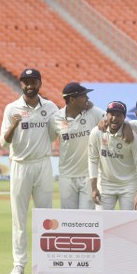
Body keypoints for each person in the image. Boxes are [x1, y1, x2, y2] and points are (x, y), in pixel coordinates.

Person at [0, 68, 58, 274]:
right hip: (20, 165)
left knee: (45, 217)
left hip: (42, 164)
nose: (29, 85)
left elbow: (55, 133)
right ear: (21, 84)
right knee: (20, 218)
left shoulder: (51, 107)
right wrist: (15, 124)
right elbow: (3, 141)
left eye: (33, 81)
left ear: (39, 83)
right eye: (26, 82)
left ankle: (44, 265)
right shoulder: (11, 108)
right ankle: (19, 264)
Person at [52, 82, 105, 210]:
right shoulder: (55, 118)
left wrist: (106, 122)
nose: (87, 99)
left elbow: (113, 118)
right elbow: (46, 139)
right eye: (83, 96)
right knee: (68, 218)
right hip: (66, 176)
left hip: (89, 176)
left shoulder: (94, 112)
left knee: (87, 218)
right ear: (72, 99)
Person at [89, 101, 137, 211]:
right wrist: (94, 187)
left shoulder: (132, 137)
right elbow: (92, 160)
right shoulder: (97, 132)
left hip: (128, 185)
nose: (115, 118)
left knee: (128, 222)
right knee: (102, 221)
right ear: (106, 115)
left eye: (119, 115)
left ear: (124, 117)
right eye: (112, 114)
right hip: (105, 184)